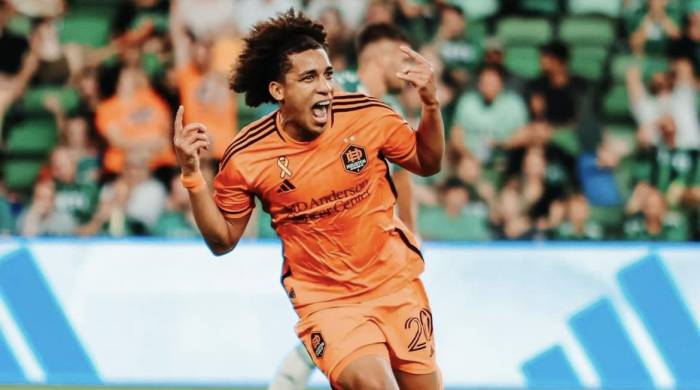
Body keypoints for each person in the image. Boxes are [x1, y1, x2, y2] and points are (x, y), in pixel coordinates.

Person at [173, 9, 444, 390]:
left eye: (328, 75)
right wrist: (191, 175)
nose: (325, 87)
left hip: (394, 283)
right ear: (278, 91)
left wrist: (431, 106)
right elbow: (222, 241)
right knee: (376, 385)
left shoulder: (368, 116)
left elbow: (427, 163)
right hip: (328, 301)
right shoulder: (247, 155)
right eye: (309, 77)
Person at [270, 22, 423, 389]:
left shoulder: (388, 108)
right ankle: (287, 377)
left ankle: (289, 377)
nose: (403, 66)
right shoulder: (344, 89)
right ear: (380, 56)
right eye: (397, 56)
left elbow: (401, 178)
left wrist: (411, 235)